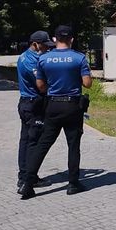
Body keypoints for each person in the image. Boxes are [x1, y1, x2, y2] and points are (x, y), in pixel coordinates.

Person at [19, 25, 93, 199]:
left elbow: (40, 85)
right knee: (73, 145)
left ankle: (28, 184)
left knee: (43, 144)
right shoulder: (79, 58)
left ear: (55, 39)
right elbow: (87, 83)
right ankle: (73, 184)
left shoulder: (44, 59)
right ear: (71, 39)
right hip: (73, 105)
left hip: (52, 105)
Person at [16, 31, 55, 193]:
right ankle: (28, 178)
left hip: (27, 103)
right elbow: (41, 84)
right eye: (44, 45)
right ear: (35, 44)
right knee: (33, 141)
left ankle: (24, 174)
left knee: (25, 140)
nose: (46, 48)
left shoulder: (26, 57)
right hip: (33, 104)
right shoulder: (29, 61)